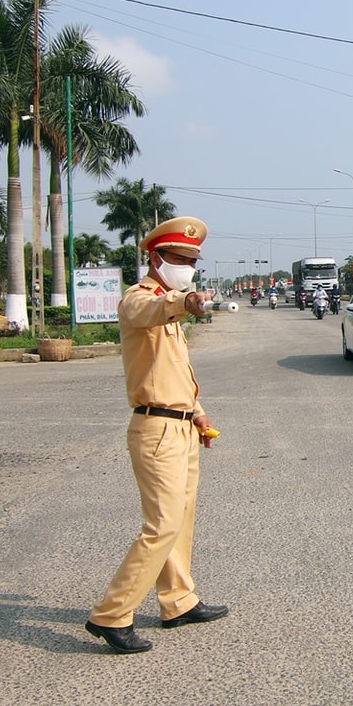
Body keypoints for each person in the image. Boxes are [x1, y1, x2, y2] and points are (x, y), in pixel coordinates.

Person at [85, 216, 229, 655]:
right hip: (155, 429)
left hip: (182, 425)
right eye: (179, 258)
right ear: (156, 257)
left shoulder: (170, 305)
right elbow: (147, 311)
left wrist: (199, 414)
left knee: (181, 520)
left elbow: (176, 372)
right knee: (162, 523)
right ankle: (111, 614)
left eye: (192, 260)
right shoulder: (139, 300)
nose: (187, 266)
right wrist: (185, 302)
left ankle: (178, 601)